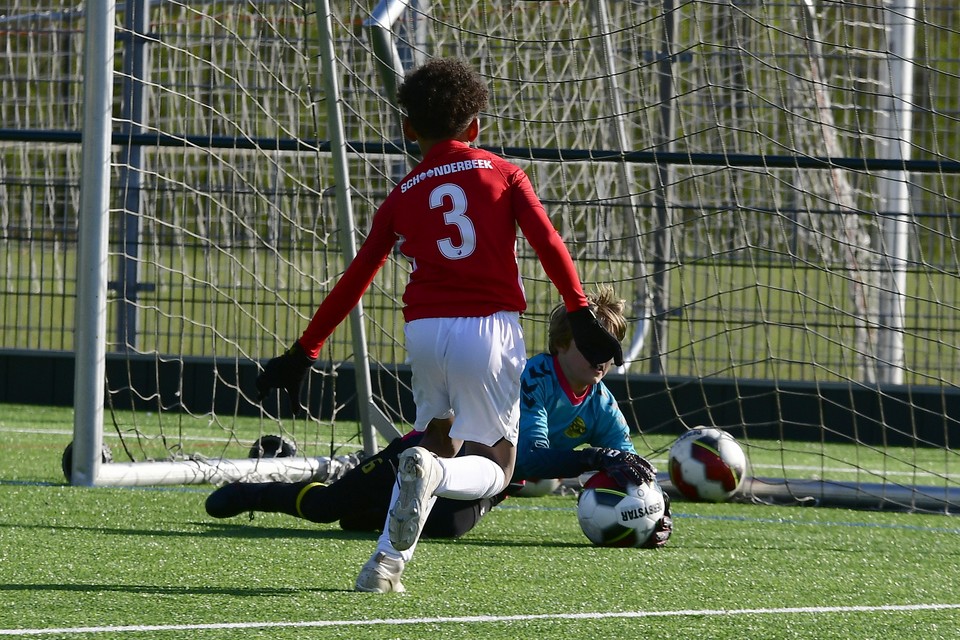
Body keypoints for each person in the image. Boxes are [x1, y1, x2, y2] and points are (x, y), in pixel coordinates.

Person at [253, 58, 642, 593]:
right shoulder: (503, 173)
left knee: (436, 441)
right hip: (487, 331)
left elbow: (355, 279)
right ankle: (428, 480)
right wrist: (577, 309)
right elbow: (548, 242)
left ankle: (385, 565)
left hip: (424, 332)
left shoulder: (402, 194)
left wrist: (305, 350)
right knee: (498, 465)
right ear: (475, 126)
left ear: (409, 129)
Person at [208, 288, 672, 548]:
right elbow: (529, 458)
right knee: (326, 508)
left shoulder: (601, 402)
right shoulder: (534, 377)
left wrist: (652, 510)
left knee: (446, 526)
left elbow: (629, 463)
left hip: (485, 480)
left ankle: (373, 511)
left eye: (610, 349)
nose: (602, 358)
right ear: (562, 343)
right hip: (434, 447)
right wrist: (594, 456)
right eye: (592, 346)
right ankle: (253, 492)